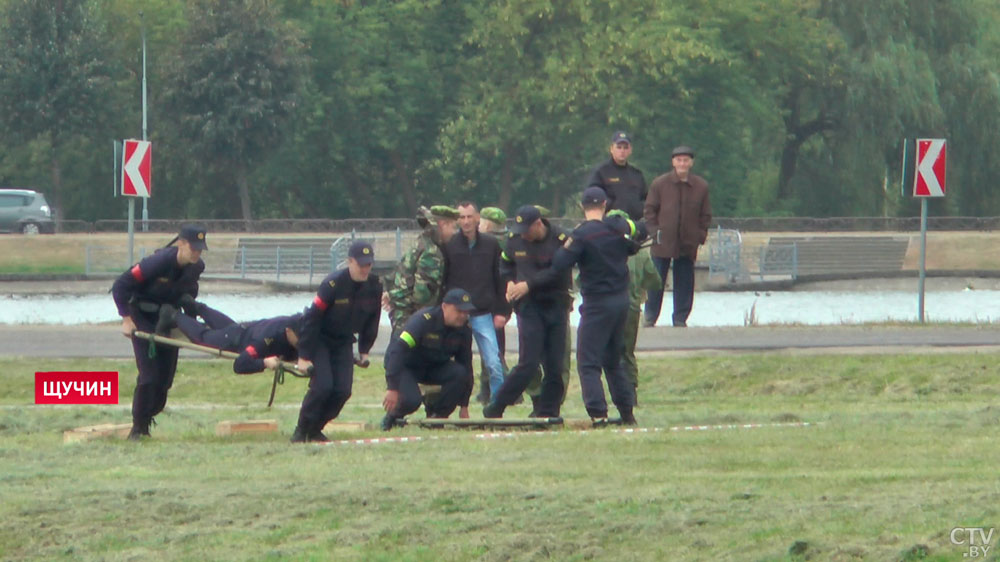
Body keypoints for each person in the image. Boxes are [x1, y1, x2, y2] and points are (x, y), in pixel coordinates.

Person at [535, 187, 646, 424]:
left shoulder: (582, 235)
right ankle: (627, 413)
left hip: (597, 303)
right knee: (613, 360)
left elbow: (560, 263)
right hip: (621, 300)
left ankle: (598, 414)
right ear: (605, 204)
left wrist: (565, 244)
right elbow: (641, 230)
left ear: (582, 207)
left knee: (588, 361)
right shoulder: (617, 227)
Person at [111, 224, 207, 440]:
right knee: (149, 375)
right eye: (193, 248)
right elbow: (120, 286)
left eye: (200, 249)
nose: (196, 253)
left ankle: (150, 414)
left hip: (168, 318)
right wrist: (126, 320)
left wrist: (192, 326)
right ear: (181, 244)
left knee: (165, 379)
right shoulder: (158, 262)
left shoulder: (196, 266)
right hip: (142, 316)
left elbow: (190, 294)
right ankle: (139, 428)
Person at [483, 205, 572, 419]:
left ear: (538, 224)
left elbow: (558, 272)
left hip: (555, 305)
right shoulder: (515, 240)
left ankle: (548, 411)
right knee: (528, 363)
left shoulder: (561, 239)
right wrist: (510, 283)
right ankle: (497, 405)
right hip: (529, 307)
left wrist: (528, 284)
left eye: (527, 229)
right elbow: (505, 265)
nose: (523, 234)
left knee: (554, 365)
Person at [293, 240, 382, 443]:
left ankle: (316, 428)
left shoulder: (374, 285)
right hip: (320, 340)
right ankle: (301, 430)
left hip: (343, 341)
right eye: (361, 265)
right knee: (323, 387)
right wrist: (304, 357)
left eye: (369, 264)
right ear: (350, 261)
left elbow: (373, 319)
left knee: (343, 390)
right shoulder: (332, 284)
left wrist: (365, 349)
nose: (365, 269)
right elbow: (312, 320)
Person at [443, 201, 507, 417]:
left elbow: (501, 279)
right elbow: (444, 279)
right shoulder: (450, 245)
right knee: (460, 364)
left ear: (478, 218)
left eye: (470, 217)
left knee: (494, 363)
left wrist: (503, 311)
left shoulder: (491, 245)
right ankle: (459, 407)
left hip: (483, 313)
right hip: (457, 314)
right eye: (461, 218)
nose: (466, 221)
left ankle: (497, 407)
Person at [380, 288, 477, 430]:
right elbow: (398, 351)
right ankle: (392, 417)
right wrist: (392, 387)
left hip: (433, 367)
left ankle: (437, 417)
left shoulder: (464, 330)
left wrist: (464, 405)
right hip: (406, 366)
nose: (463, 316)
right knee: (412, 401)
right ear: (444, 307)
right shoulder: (423, 321)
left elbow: (466, 365)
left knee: (459, 373)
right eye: (459, 311)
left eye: (466, 312)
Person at [643, 145, 712, 328]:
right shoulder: (660, 183)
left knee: (685, 282)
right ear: (673, 162)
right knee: (655, 281)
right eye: (679, 160)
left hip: (688, 242)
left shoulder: (701, 186)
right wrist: (654, 232)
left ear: (691, 163)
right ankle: (650, 317)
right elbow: (649, 210)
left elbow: (705, 215)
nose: (682, 163)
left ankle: (680, 318)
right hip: (662, 241)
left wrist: (700, 235)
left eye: (686, 160)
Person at [607, 209, 663, 399]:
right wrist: (639, 286)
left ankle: (609, 393)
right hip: (631, 308)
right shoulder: (640, 254)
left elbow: (581, 280)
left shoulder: (602, 249)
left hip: (606, 306)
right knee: (627, 352)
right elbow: (656, 281)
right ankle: (630, 393)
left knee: (605, 353)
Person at [383, 205, 458, 340]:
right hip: (411, 314)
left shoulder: (422, 242)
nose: (454, 232)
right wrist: (425, 318)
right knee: (406, 354)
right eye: (453, 227)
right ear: (443, 224)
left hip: (402, 310)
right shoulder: (432, 252)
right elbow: (422, 293)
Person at [164, 302, 302, 375]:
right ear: (288, 331)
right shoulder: (269, 337)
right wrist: (264, 363)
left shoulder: (294, 328)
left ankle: (194, 305)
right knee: (203, 338)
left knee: (229, 328)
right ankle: (173, 314)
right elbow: (240, 364)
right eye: (299, 338)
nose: (301, 342)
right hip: (236, 340)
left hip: (242, 329)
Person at [476, 206, 509, 404]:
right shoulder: (506, 243)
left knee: (492, 352)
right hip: (499, 306)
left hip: (492, 306)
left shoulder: (491, 246)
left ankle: (506, 390)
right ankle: (486, 390)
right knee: (492, 350)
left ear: (487, 225)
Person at [586, 131, 647, 221]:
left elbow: (645, 198)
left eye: (625, 148)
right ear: (611, 149)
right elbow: (592, 196)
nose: (622, 151)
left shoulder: (636, 174)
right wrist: (611, 206)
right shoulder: (601, 172)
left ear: (630, 150)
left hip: (633, 224)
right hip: (609, 225)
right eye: (619, 147)